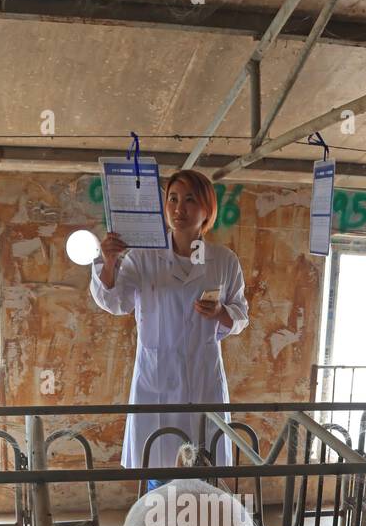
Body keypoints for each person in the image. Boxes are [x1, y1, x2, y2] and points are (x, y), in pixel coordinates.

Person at [89, 169, 249, 479]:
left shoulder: (224, 260)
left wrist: (219, 312)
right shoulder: (143, 257)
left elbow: (241, 314)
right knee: (159, 472)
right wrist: (109, 263)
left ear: (207, 209)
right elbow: (114, 300)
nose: (179, 209)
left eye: (190, 200)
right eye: (173, 199)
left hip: (203, 376)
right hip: (156, 378)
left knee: (202, 475)